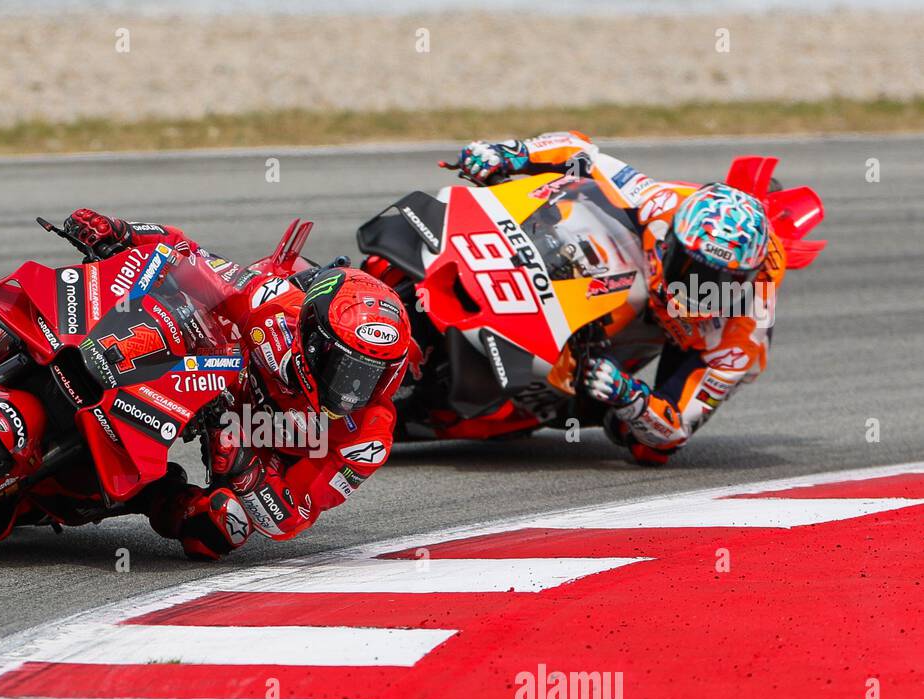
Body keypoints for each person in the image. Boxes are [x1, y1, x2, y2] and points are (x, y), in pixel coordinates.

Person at [61, 208, 414, 559]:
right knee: (157, 300)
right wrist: (122, 233)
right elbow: (191, 257)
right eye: (343, 365)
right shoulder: (273, 307)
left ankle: (146, 494)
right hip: (207, 373)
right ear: (311, 338)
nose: (352, 387)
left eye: (371, 374)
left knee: (221, 528)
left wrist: (244, 468)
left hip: (252, 453)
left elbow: (292, 517)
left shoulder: (368, 440)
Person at [452, 131, 784, 464]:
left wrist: (631, 398)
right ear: (671, 244)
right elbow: (582, 153)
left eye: (718, 281)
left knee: (646, 447)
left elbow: (676, 428)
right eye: (690, 270)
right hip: (639, 257)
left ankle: (566, 389)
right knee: (577, 206)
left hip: (692, 334)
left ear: (745, 282)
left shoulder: (744, 334)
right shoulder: (660, 203)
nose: (697, 287)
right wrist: (512, 153)